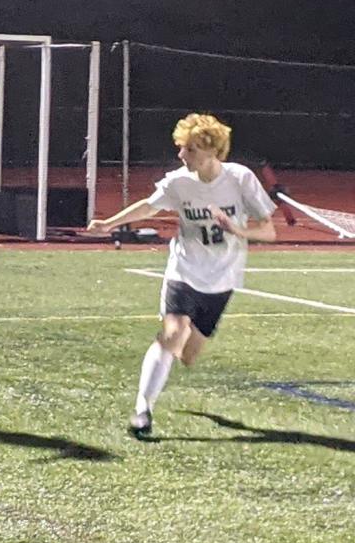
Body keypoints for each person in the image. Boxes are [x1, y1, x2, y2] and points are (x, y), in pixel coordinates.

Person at [87, 113, 276, 435]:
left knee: (188, 355)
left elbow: (269, 232)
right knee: (172, 334)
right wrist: (109, 224)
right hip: (184, 270)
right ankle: (142, 410)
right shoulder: (179, 182)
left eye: (188, 149)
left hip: (223, 277)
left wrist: (237, 229)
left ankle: (168, 371)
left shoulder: (240, 179)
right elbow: (149, 206)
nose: (181, 155)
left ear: (211, 151)